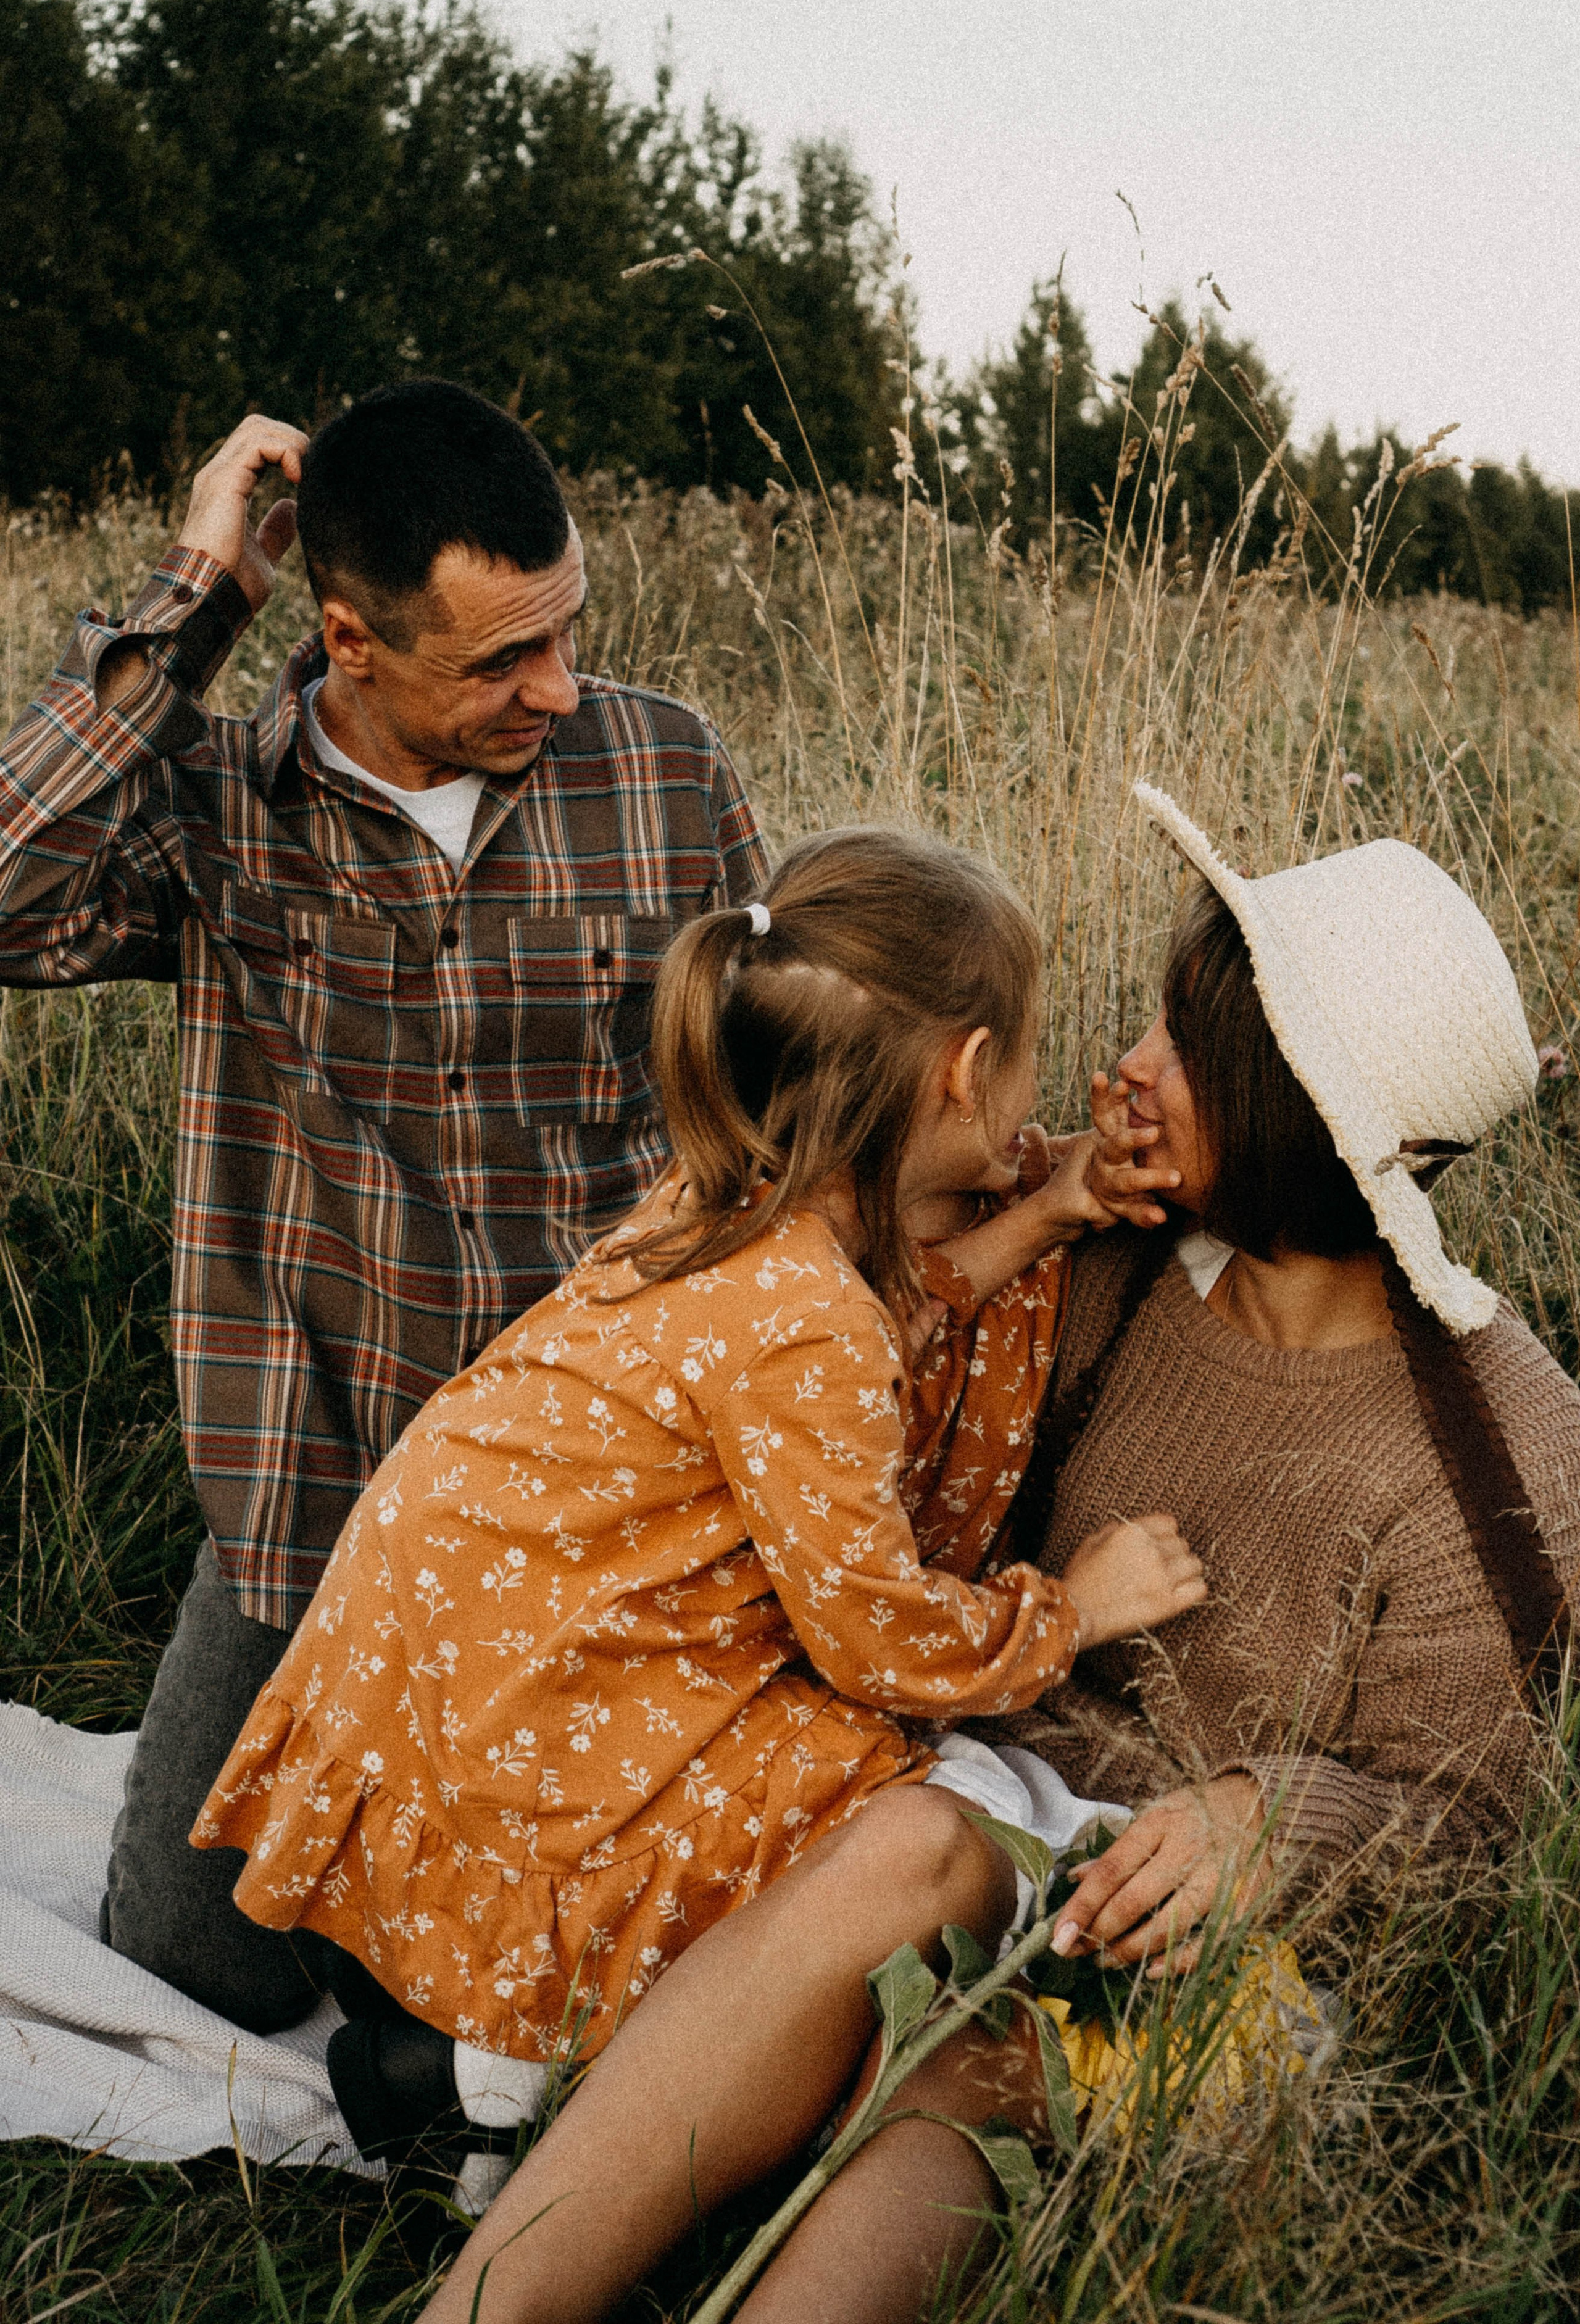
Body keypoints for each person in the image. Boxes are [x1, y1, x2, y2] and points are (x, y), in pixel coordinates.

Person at [195, 823, 1206, 2323]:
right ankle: (519, 2069)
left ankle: (481, 2066)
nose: (1040, 1103)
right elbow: (883, 1642)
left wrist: (1046, 1205)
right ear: (962, 1069)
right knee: (904, 1794)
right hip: (545, 1725)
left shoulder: (740, 1198)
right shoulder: (805, 1329)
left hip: (464, 1671)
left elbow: (898, 1307)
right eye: (1028, 1065)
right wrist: (1069, 1607)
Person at [0, 380, 767, 2030]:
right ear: (349, 638)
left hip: (594, 1496)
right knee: (197, 1958)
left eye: (568, 633)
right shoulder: (209, 806)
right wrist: (193, 594)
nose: (555, 689)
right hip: (319, 1474)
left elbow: (766, 1101)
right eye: (499, 660)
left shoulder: (666, 770)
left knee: (645, 1937)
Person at [989, 780, 1580, 1982]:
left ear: (1299, 1113)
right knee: (898, 1851)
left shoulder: (1504, 1449)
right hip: (963, 1793)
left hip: (1177, 1937)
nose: (1129, 1067)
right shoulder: (1104, 1265)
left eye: (1186, 1050)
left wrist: (1273, 1818)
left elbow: (1472, 1826)